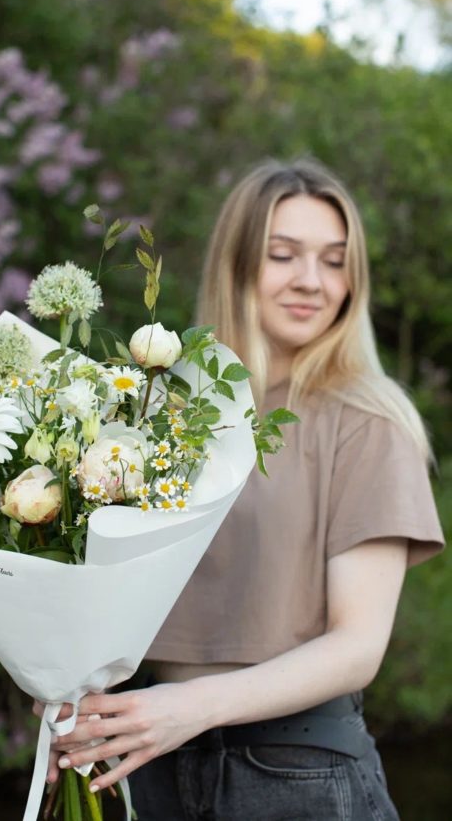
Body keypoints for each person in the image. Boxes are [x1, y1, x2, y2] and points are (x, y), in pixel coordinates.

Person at [48, 158, 445, 820]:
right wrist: (65, 680)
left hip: (297, 778)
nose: (312, 282)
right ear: (236, 265)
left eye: (335, 260)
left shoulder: (367, 422)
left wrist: (189, 710)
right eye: (283, 255)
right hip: (152, 769)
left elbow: (357, 648)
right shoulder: (159, 414)